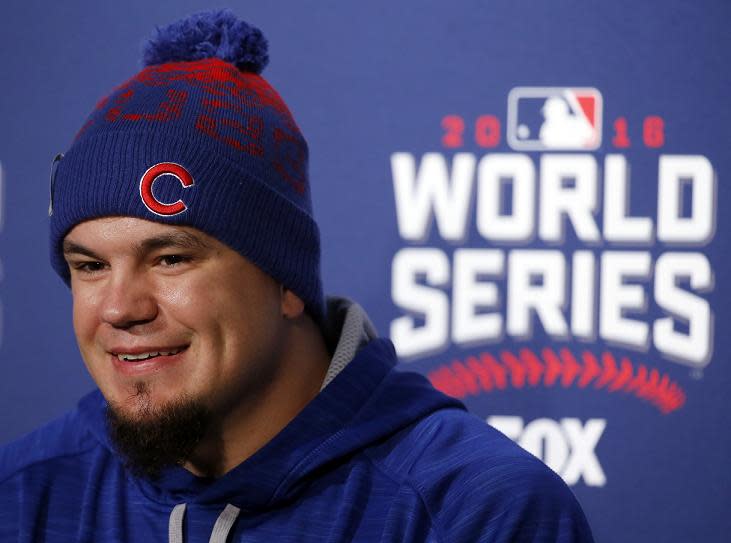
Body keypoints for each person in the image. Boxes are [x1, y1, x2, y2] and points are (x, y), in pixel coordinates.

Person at [0, 10, 594, 542]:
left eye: (170, 258)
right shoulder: (26, 492)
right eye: (90, 266)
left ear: (284, 279)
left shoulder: (477, 512)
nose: (120, 308)